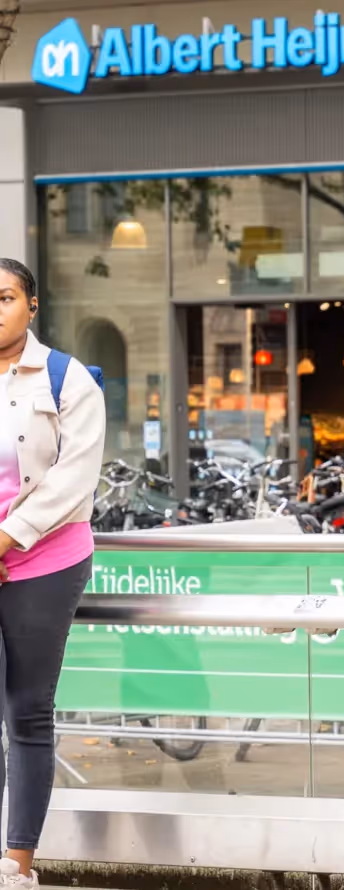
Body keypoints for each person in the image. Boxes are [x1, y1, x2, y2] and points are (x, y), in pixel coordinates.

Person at [0, 257, 105, 889]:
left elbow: (75, 477)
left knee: (28, 710)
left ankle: (17, 864)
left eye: (5, 297)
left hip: (45, 557)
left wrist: (6, 538)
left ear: (31, 306)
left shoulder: (66, 379)